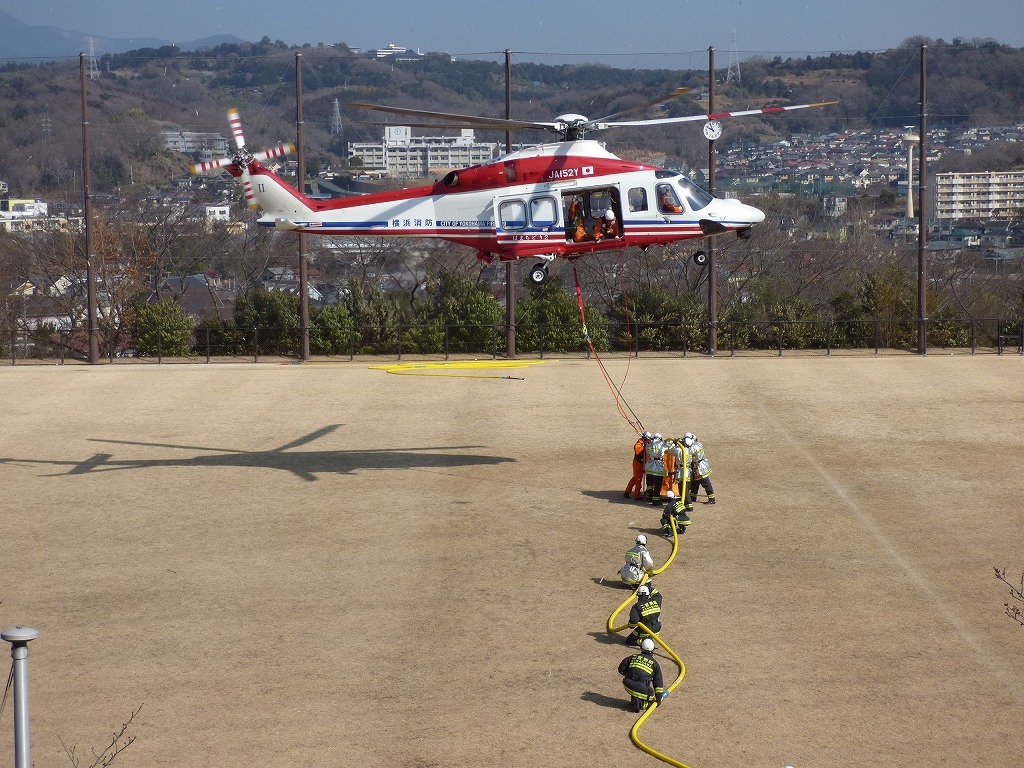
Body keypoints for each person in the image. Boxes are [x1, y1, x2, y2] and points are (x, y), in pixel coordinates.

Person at [618, 637, 667, 712]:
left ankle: (635, 698)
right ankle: (641, 704)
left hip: (627, 684)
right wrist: (658, 700)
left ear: (641, 648)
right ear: (653, 649)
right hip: (642, 688)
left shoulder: (633, 657)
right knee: (653, 699)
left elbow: (621, 669)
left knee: (636, 689)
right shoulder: (655, 664)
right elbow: (658, 683)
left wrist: (628, 675)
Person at [683, 432, 716, 505]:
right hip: (701, 465)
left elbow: (688, 455)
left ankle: (712, 499)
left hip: (699, 467)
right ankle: (693, 497)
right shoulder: (698, 444)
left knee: (705, 483)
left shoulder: (691, 448)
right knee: (695, 483)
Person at [624, 431, 651, 500]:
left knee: (635, 478)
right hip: (638, 463)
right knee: (638, 479)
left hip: (643, 462)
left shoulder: (645, 443)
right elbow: (638, 452)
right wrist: (644, 447)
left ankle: (627, 491)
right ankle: (637, 495)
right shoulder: (639, 445)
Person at [643, 433, 668, 504]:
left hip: (650, 466)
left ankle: (650, 492)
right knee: (658, 484)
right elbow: (668, 447)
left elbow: (647, 450)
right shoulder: (662, 444)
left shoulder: (649, 444)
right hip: (658, 467)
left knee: (649, 481)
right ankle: (655, 500)